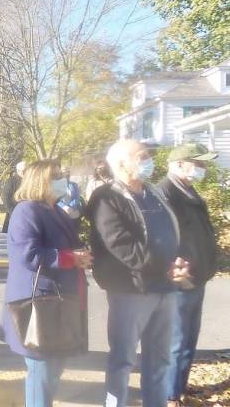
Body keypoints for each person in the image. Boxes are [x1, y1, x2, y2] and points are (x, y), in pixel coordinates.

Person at [87, 139, 188, 407]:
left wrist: (180, 261)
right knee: (123, 360)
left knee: (160, 359)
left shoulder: (153, 192)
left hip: (165, 288)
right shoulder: (106, 197)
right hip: (130, 290)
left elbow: (174, 231)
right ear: (121, 164)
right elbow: (121, 245)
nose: (149, 162)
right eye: (142, 157)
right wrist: (164, 265)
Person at [0, 160, 92, 407]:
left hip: (59, 301)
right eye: (57, 176)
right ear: (42, 180)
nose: (64, 180)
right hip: (39, 303)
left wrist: (80, 255)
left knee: (53, 370)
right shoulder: (26, 210)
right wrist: (71, 258)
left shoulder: (55, 210)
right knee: (41, 373)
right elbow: (28, 255)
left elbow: (64, 245)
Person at [158, 143, 219, 406]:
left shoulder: (189, 190)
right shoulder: (165, 192)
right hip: (179, 279)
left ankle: (179, 385)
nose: (203, 169)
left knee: (189, 337)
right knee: (177, 338)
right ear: (180, 164)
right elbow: (163, 237)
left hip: (198, 276)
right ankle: (169, 394)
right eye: (199, 163)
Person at [2, 161, 25, 233]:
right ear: (18, 171)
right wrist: (12, 212)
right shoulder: (11, 181)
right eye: (24, 170)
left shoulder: (31, 181)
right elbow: (5, 198)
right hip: (14, 215)